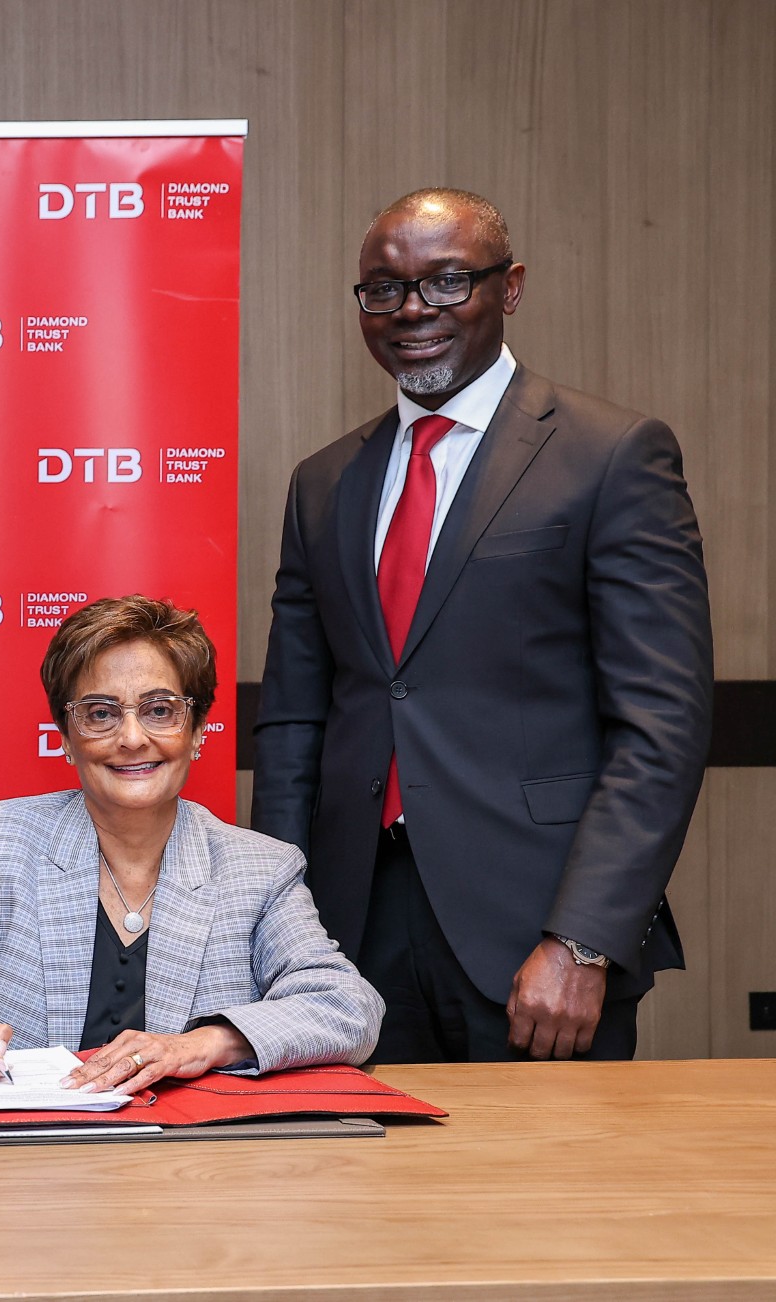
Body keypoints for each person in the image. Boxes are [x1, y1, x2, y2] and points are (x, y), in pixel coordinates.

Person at [252, 188, 712, 1063]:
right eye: (382, 290)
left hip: (534, 937)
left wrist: (585, 938)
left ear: (511, 288)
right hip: (349, 936)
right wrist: (278, 928)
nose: (412, 311)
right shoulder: (324, 484)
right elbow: (293, 727)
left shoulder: (611, 455)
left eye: (447, 281)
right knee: (359, 1195)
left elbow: (663, 726)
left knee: (541, 1198)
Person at [0, 595, 381, 1093]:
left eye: (159, 710)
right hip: (28, 1160)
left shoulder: (260, 866)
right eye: (101, 713)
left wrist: (208, 1043)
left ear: (197, 731)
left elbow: (348, 1008)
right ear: (65, 735)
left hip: (197, 1166)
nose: (131, 738)